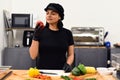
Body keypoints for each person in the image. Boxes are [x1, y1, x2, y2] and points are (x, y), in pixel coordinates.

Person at [29, 3, 74, 72]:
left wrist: (68, 64)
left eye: (53, 14)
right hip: (42, 72)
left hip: (61, 71)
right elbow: (33, 56)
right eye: (47, 13)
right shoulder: (40, 32)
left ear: (60, 17)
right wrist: (35, 37)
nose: (49, 15)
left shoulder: (67, 33)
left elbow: (71, 54)